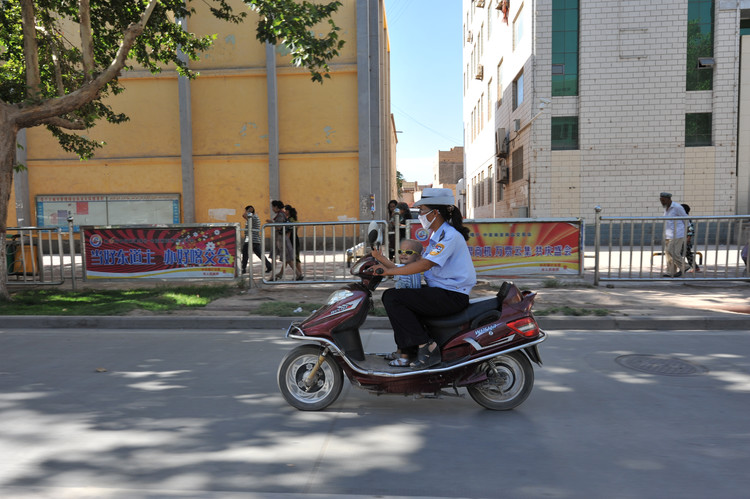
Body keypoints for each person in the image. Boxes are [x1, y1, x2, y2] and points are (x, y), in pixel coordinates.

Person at [371, 188, 476, 369]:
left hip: (451, 295)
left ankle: (427, 347)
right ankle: (406, 351)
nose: (420, 215)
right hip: (442, 291)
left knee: (392, 298)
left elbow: (424, 265)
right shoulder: (438, 235)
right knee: (397, 295)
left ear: (435, 213)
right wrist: (382, 261)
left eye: (422, 211)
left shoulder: (449, 236)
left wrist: (387, 272)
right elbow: (412, 267)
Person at [660, 192, 689, 277]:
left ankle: (685, 266)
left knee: (672, 251)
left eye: (664, 200)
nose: (662, 202)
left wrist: (687, 232)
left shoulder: (677, 207)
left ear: (669, 199)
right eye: (661, 200)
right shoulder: (666, 208)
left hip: (677, 234)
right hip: (668, 234)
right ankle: (671, 272)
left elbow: (686, 219)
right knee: (668, 255)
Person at [267, 200, 298, 280]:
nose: (272, 209)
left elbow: (279, 227)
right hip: (279, 239)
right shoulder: (281, 214)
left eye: (273, 207)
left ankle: (298, 274)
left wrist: (272, 222)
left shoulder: (280, 215)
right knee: (277, 257)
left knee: (286, 258)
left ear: (276, 207)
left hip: (281, 240)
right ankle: (273, 276)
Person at [241, 205, 272, 274]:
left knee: (245, 253)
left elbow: (243, 215)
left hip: (251, 238)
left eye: (247, 210)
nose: (246, 212)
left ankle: (243, 268)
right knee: (259, 254)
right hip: (254, 239)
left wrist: (248, 211)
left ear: (251, 210)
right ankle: (269, 265)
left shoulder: (253, 217)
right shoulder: (253, 217)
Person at [283, 204, 304, 280]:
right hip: (295, 239)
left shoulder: (289, 220)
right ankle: (299, 274)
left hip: (292, 240)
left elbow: (289, 232)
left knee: (292, 258)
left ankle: (299, 274)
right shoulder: (294, 219)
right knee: (294, 258)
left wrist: (286, 242)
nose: (284, 212)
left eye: (285, 210)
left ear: (288, 211)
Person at [681, 203, 700, 272]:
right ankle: (694, 267)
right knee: (687, 254)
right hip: (682, 238)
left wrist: (688, 238)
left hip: (685, 239)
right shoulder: (682, 217)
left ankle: (687, 266)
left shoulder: (686, 218)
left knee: (683, 253)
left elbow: (690, 229)